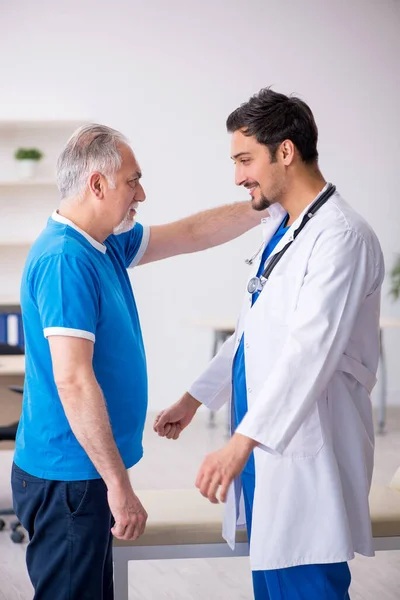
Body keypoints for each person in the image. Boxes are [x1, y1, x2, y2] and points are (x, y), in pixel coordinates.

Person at [11, 123, 265, 600]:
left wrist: (265, 206)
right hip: (71, 478)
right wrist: (119, 487)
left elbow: (192, 233)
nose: (141, 193)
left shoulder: (104, 243)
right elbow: (74, 381)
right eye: (133, 181)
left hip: (81, 475)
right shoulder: (66, 259)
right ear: (97, 184)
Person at [154, 88, 385, 600]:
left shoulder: (340, 235)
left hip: (305, 450)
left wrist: (237, 445)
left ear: (285, 151)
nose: (238, 177)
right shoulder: (284, 229)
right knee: (275, 582)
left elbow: (310, 353)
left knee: (307, 581)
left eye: (244, 159)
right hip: (266, 446)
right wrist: (194, 399)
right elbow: (252, 332)